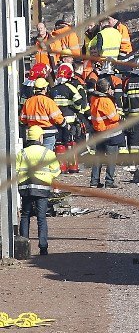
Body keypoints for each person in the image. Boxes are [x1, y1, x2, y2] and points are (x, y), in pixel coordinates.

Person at [16, 125, 61, 255]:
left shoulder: (22, 153)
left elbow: (16, 170)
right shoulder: (48, 153)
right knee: (41, 218)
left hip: (26, 188)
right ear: (40, 137)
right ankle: (43, 247)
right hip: (42, 188)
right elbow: (56, 171)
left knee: (25, 216)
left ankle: (23, 248)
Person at [51, 63, 87, 172]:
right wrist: (75, 108)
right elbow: (79, 100)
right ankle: (73, 167)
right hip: (70, 119)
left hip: (57, 119)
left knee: (59, 143)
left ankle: (62, 167)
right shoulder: (70, 87)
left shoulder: (53, 89)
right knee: (70, 143)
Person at [89, 77, 121, 188]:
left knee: (98, 157)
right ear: (107, 89)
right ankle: (109, 181)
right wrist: (119, 113)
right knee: (111, 158)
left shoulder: (93, 98)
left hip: (98, 131)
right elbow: (114, 117)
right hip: (110, 132)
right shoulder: (105, 101)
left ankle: (94, 181)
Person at [20, 78, 64, 151]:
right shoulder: (48, 101)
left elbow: (23, 119)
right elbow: (57, 118)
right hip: (48, 133)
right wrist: (65, 125)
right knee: (46, 155)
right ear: (45, 88)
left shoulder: (28, 101)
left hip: (34, 134)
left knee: (34, 156)